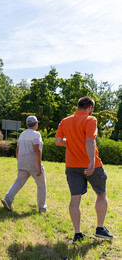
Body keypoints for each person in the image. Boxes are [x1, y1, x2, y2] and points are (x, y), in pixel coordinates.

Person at [55, 97, 113, 243]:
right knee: (101, 194)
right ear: (90, 107)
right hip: (91, 165)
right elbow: (90, 140)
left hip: (72, 165)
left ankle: (78, 234)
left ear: (78, 106)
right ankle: (100, 229)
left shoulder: (65, 121)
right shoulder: (90, 120)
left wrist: (73, 141)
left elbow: (58, 141)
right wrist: (92, 162)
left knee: (75, 199)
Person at [1, 116, 48, 213]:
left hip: (22, 163)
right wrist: (39, 168)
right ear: (36, 124)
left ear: (27, 124)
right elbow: (37, 150)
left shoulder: (22, 134)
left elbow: (17, 150)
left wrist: (19, 163)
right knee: (41, 186)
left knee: (18, 182)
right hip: (33, 164)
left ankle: (8, 199)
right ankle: (42, 208)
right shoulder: (36, 134)